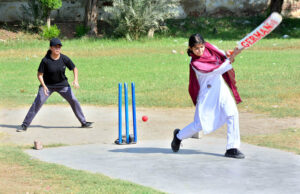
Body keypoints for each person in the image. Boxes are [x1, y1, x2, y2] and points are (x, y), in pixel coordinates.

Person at [171, 33, 245, 159]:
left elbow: (221, 55)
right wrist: (230, 59)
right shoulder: (195, 63)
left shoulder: (210, 48)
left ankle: (232, 148)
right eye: (196, 48)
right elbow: (215, 70)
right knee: (199, 125)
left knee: (232, 113)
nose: (200, 50)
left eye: (201, 47)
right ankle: (178, 136)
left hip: (220, 88)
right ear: (190, 49)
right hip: (207, 94)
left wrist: (229, 53)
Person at [17, 38, 93, 132]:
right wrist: (44, 86)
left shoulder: (64, 58)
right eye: (55, 47)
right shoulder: (45, 60)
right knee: (38, 102)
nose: (58, 48)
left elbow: (74, 68)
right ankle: (24, 125)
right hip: (47, 86)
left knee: (73, 100)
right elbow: (40, 75)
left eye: (59, 47)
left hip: (63, 85)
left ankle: (83, 122)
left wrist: (75, 80)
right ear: (51, 48)